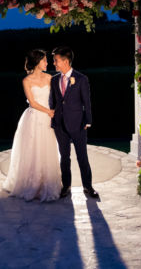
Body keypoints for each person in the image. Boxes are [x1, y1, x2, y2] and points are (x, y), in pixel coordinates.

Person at [2, 49, 63, 201]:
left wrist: (55, 110)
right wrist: (48, 111)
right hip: (34, 118)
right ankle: (31, 185)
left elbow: (57, 96)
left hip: (48, 118)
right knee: (32, 151)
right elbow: (33, 102)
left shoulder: (49, 77)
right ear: (37, 62)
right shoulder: (26, 81)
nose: (47, 63)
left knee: (47, 150)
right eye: (44, 60)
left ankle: (47, 184)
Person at [49, 46, 99, 199]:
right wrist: (53, 118)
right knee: (64, 157)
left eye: (56, 61)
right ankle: (66, 186)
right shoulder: (54, 79)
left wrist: (88, 121)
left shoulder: (81, 79)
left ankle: (88, 186)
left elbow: (87, 102)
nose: (54, 64)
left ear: (65, 61)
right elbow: (54, 101)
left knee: (82, 156)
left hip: (78, 124)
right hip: (60, 124)